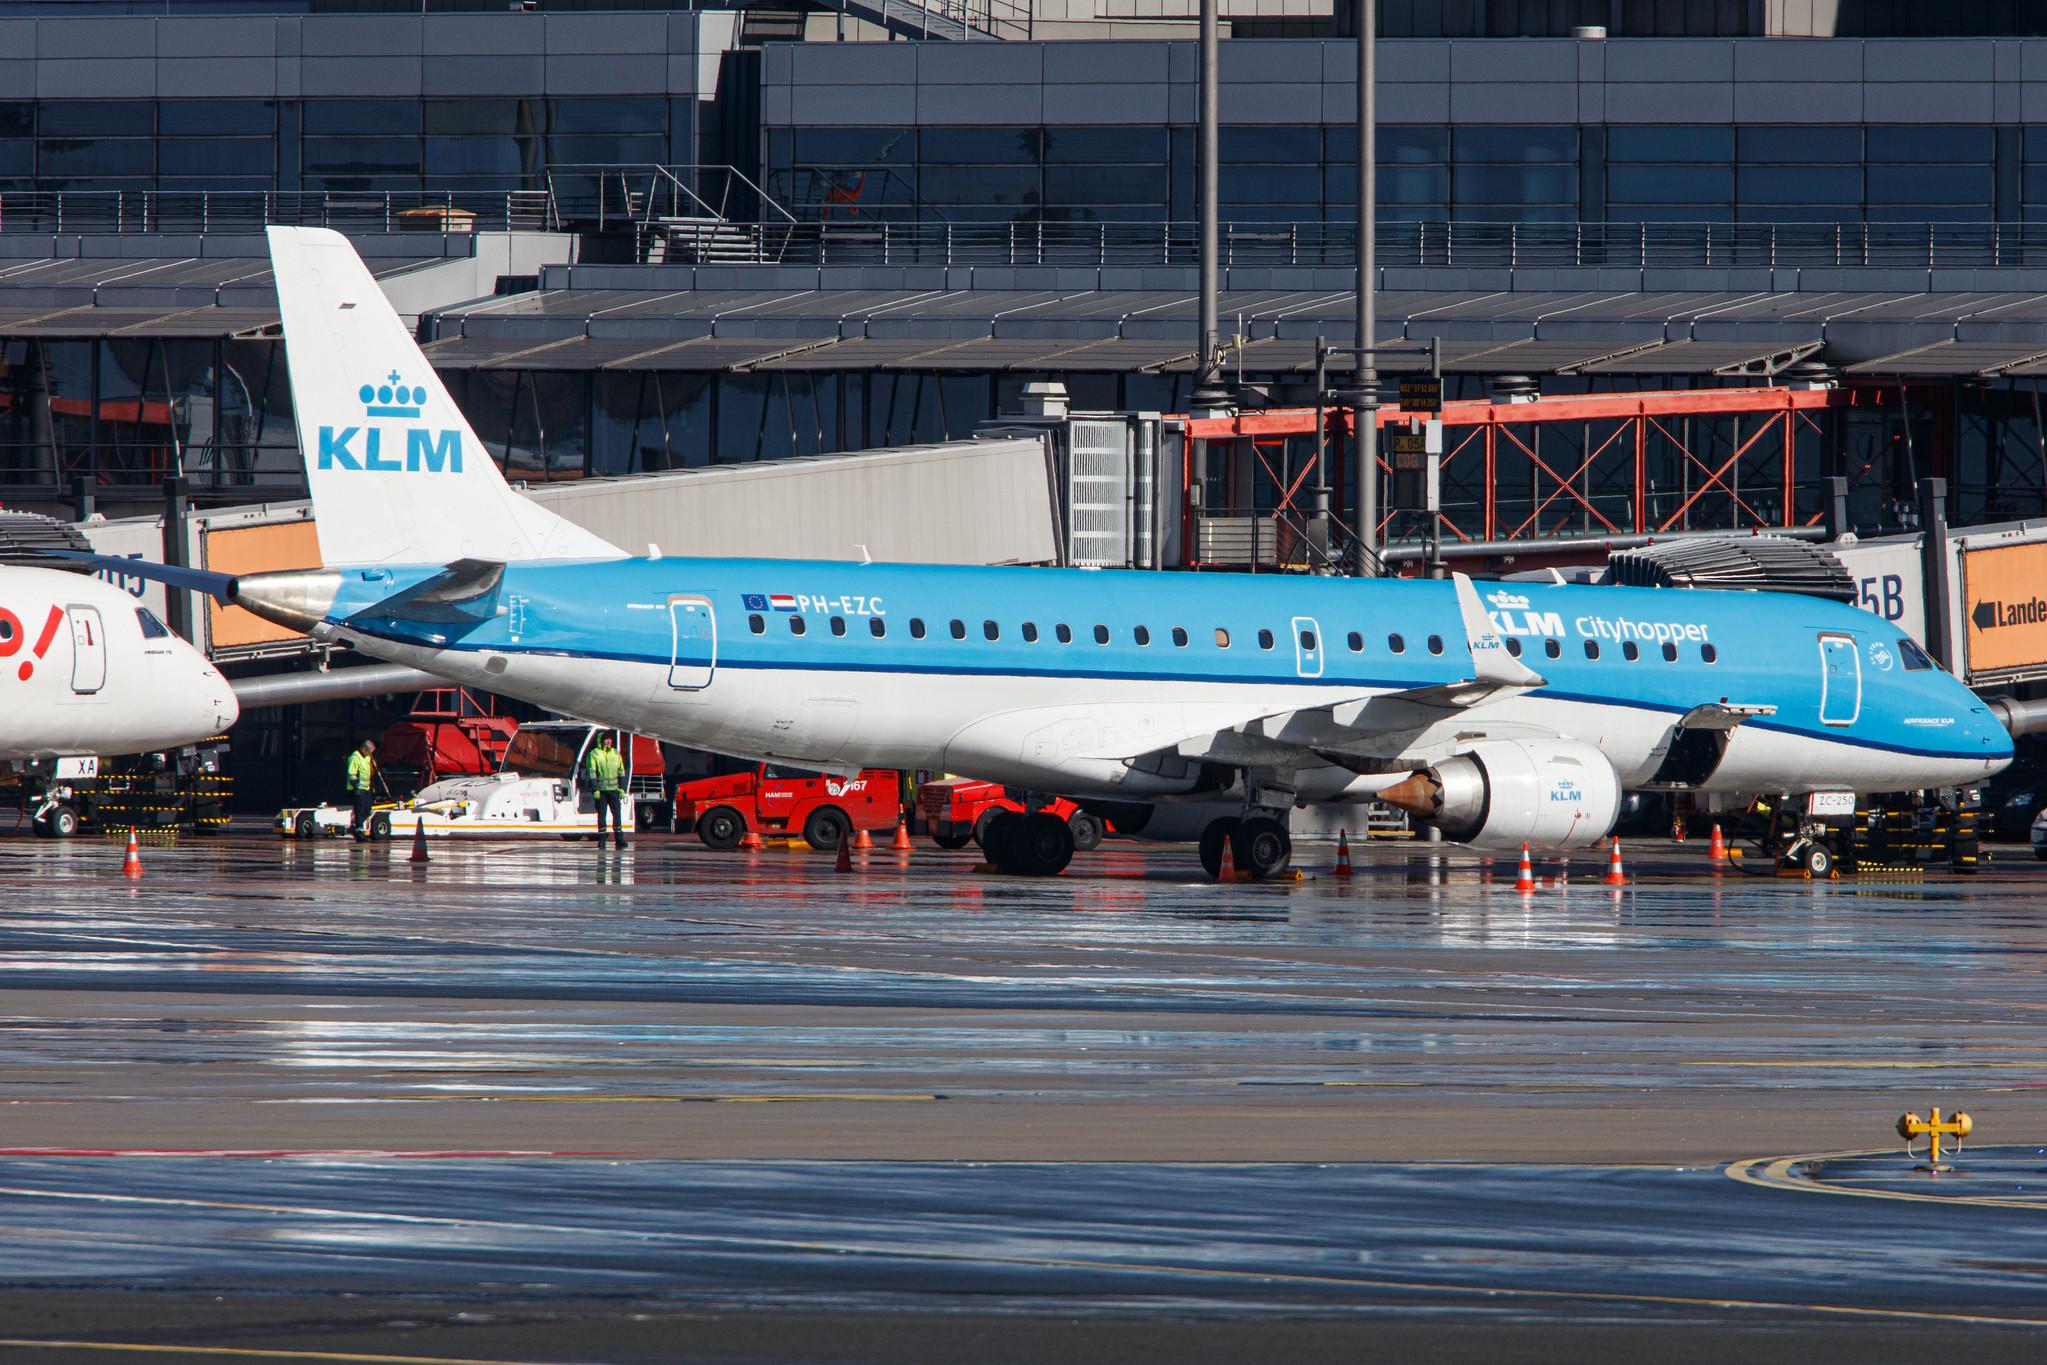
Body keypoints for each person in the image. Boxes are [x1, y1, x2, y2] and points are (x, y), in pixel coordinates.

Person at [585, 733, 627, 849]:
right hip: (601, 791)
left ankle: (619, 838)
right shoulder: (594, 754)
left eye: (610, 739)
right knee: (602, 815)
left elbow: (621, 771)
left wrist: (622, 788)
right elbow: (592, 773)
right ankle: (602, 839)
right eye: (606, 739)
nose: (608, 741)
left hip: (614, 790)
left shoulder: (615, 753)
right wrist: (595, 789)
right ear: (601, 741)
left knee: (617, 814)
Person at [345, 740, 377, 841]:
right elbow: (352, 773)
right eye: (369, 751)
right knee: (360, 809)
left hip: (366, 788)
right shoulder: (355, 757)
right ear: (364, 749)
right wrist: (355, 787)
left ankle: (355, 827)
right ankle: (359, 831)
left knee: (367, 809)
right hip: (358, 788)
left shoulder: (367, 757)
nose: (371, 753)